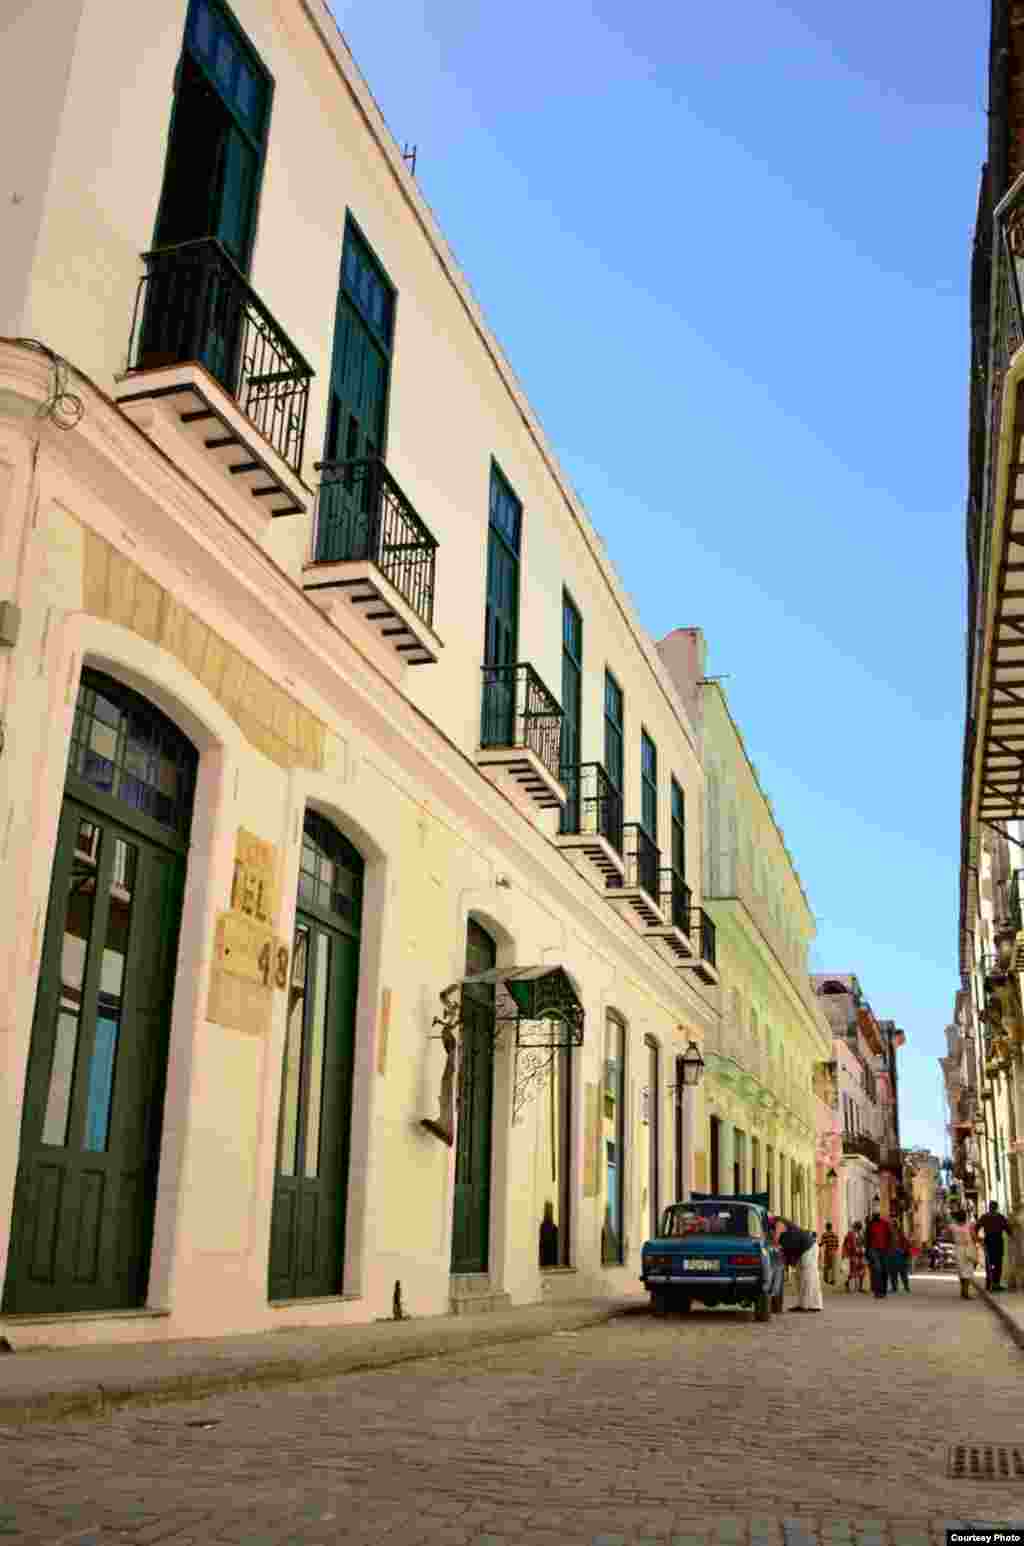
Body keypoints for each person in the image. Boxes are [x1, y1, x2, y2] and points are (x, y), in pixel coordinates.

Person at [779, 1219, 823, 1312]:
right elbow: (789, 1257)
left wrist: (787, 1265)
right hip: (807, 1249)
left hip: (808, 1249)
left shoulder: (781, 1228)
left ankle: (806, 1305)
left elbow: (788, 1256)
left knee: (807, 1277)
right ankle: (811, 1304)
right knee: (803, 1277)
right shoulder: (786, 1234)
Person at [975, 1200, 1014, 1292]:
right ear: (996, 1208)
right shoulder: (1000, 1217)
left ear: (990, 1208)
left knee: (990, 1263)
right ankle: (995, 1284)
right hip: (997, 1242)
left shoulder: (985, 1217)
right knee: (997, 1264)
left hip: (989, 1242)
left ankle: (990, 1284)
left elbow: (976, 1227)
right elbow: (1008, 1230)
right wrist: (1011, 1234)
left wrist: (978, 1239)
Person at [863, 1209, 893, 1298]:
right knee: (877, 1269)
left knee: (884, 1270)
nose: (875, 1216)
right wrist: (867, 1252)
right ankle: (877, 1291)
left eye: (877, 1215)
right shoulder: (870, 1225)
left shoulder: (885, 1224)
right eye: (874, 1215)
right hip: (874, 1250)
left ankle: (883, 1291)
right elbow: (867, 1239)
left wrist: (889, 1248)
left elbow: (890, 1236)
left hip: (884, 1250)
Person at [950, 1208, 979, 1300]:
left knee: (961, 1270)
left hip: (958, 1249)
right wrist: (979, 1242)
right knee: (968, 1270)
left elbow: (949, 1236)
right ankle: (965, 1293)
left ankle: (963, 1291)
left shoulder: (952, 1226)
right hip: (968, 1248)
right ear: (965, 1217)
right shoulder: (969, 1225)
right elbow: (974, 1237)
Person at [841, 1222, 867, 1292]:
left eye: (859, 1228)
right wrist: (845, 1254)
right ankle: (848, 1284)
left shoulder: (861, 1234)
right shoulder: (850, 1234)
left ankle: (860, 1287)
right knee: (853, 1271)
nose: (858, 1230)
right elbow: (846, 1244)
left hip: (861, 1254)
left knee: (862, 1271)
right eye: (857, 1228)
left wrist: (863, 1248)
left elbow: (863, 1243)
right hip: (853, 1255)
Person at [887, 1225, 911, 1293]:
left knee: (902, 1272)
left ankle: (906, 1287)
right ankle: (895, 1287)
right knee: (893, 1273)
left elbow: (907, 1245)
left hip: (900, 1256)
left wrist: (903, 1251)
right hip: (892, 1256)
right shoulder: (889, 1236)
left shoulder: (901, 1236)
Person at [819, 1222, 839, 1287]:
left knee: (826, 1266)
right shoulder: (835, 1235)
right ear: (831, 1227)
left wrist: (817, 1245)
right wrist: (835, 1249)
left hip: (828, 1252)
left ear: (826, 1227)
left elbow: (821, 1243)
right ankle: (833, 1280)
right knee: (833, 1267)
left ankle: (826, 1279)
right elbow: (837, 1244)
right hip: (834, 1252)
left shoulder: (825, 1235)